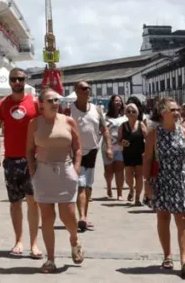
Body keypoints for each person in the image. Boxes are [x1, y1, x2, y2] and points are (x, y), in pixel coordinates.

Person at [143, 97, 185, 277]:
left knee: (183, 219)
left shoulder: (184, 132)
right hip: (161, 179)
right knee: (163, 217)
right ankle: (168, 255)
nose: (177, 113)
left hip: (181, 180)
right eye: (173, 110)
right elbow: (147, 158)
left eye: (178, 110)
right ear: (162, 113)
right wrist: (146, 183)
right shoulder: (154, 134)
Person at [0, 67, 42, 258]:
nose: (17, 82)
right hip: (11, 160)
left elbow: (44, 127)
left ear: (25, 81)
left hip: (32, 159)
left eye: (20, 79)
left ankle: (34, 244)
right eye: (14, 79)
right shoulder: (1, 104)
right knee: (14, 203)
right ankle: (18, 241)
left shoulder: (35, 103)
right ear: (9, 82)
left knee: (33, 202)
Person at [28, 89, 83, 273]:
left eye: (56, 99)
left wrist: (75, 169)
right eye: (50, 100)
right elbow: (29, 150)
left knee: (68, 215)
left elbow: (77, 148)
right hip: (43, 172)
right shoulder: (34, 124)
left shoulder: (68, 121)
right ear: (41, 104)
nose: (54, 102)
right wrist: (33, 171)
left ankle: (74, 239)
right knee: (47, 217)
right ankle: (50, 259)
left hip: (65, 171)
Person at [70, 81, 110, 230]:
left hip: (92, 151)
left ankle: (85, 216)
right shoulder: (69, 109)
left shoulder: (96, 109)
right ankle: (81, 217)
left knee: (88, 186)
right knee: (80, 184)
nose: (86, 90)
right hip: (75, 152)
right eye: (83, 88)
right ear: (76, 91)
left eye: (88, 88)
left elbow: (104, 129)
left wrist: (109, 148)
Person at [120, 102, 147, 206]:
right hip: (127, 153)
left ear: (137, 113)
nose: (131, 113)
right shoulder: (123, 126)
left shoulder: (141, 124)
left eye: (133, 111)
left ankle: (137, 198)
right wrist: (121, 142)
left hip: (140, 153)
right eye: (128, 111)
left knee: (139, 176)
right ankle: (131, 189)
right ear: (125, 113)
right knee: (128, 176)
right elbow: (119, 140)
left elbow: (147, 138)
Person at [102, 94, 126, 200]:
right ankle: (109, 186)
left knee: (120, 170)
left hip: (121, 148)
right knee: (109, 171)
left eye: (119, 101)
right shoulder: (104, 117)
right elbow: (100, 131)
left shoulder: (125, 118)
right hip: (107, 147)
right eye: (116, 101)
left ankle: (120, 193)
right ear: (111, 103)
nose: (118, 102)